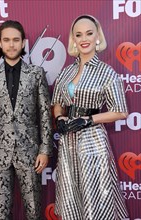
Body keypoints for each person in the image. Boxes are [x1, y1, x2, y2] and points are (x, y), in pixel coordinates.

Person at [51, 15, 129, 220]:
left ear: (97, 36)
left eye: (88, 33)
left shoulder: (106, 72)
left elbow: (121, 111)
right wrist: (59, 118)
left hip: (92, 142)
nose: (84, 38)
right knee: (71, 195)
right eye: (78, 34)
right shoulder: (66, 72)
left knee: (96, 195)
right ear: (73, 40)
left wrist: (88, 120)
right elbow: (58, 103)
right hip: (68, 142)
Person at [0, 20, 52, 220]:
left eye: (16, 40)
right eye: (6, 40)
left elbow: (45, 114)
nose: (11, 45)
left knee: (34, 211)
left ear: (23, 42)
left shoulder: (36, 74)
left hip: (31, 152)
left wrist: (44, 150)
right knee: (1, 213)